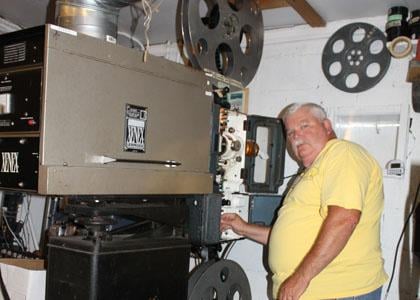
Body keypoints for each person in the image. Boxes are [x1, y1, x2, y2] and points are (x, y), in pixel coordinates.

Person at [220, 102, 388, 300]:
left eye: (304, 126)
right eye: (290, 133)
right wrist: (243, 228)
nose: (296, 136)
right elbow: (294, 235)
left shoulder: (342, 153)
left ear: (327, 126)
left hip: (338, 291)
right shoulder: (308, 173)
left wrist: (301, 278)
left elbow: (344, 219)